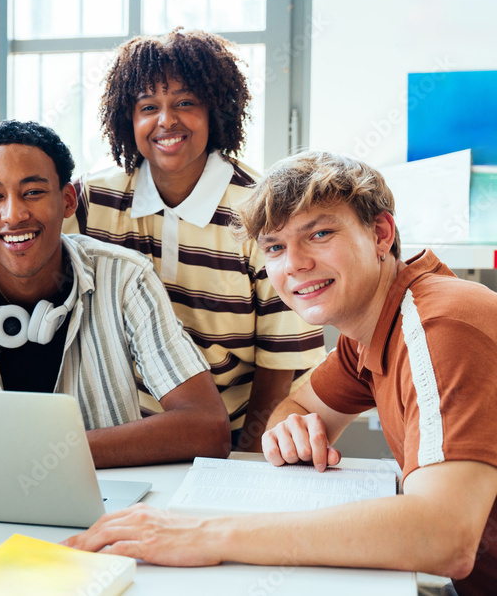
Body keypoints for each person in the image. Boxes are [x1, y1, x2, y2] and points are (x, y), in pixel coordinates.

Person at [65, 151, 497, 595]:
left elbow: (444, 536)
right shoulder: (369, 328)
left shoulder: (438, 326)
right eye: (274, 247)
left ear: (380, 233)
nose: (294, 264)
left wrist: (209, 535)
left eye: (320, 234)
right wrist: (290, 428)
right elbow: (295, 406)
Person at [0, 30, 325, 451]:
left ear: (216, 109)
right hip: (122, 431)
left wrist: (244, 463)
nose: (166, 121)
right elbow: (6, 225)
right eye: (148, 107)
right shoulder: (98, 196)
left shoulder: (260, 211)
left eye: (185, 103)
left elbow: (278, 367)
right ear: (128, 118)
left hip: (231, 429)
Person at [0, 120, 230, 468]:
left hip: (100, 505)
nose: (14, 214)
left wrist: (47, 457)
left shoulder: (125, 280)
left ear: (67, 201)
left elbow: (207, 426)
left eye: (33, 192)